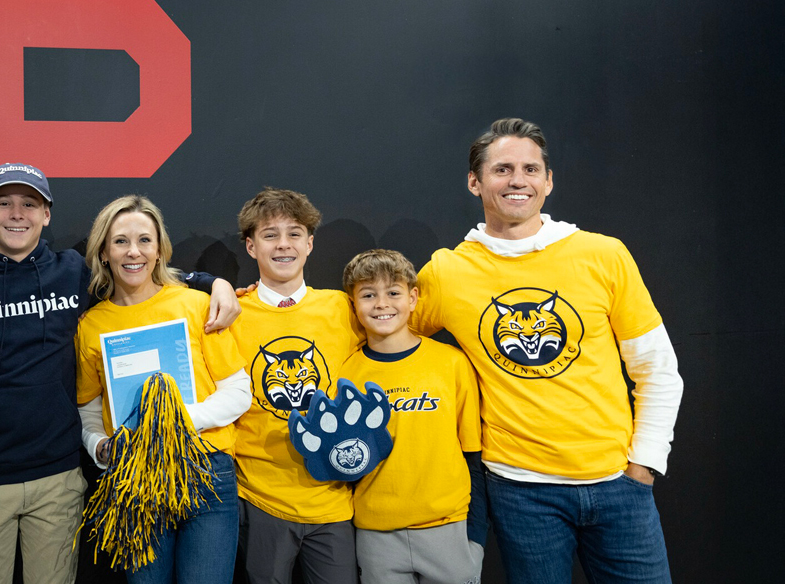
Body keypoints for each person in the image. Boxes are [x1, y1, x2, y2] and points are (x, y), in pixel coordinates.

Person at [0, 166, 240, 584]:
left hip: (61, 475)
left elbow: (142, 273)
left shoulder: (71, 273)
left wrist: (214, 282)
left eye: (29, 204)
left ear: (47, 214)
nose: (17, 213)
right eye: (4, 203)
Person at [410, 118, 684, 583]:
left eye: (531, 169)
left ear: (548, 181)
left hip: (619, 484)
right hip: (520, 491)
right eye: (502, 169)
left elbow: (656, 368)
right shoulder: (447, 273)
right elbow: (382, 331)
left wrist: (645, 464)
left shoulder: (603, 254)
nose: (518, 180)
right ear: (475, 182)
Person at [75, 195, 252, 584]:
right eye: (120, 241)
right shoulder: (91, 325)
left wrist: (171, 421)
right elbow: (88, 408)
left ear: (159, 250)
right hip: (134, 477)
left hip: (206, 472)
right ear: (103, 252)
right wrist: (99, 446)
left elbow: (239, 392)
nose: (133, 251)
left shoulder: (196, 304)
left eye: (144, 240)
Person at [219, 188, 361, 584]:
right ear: (251, 247)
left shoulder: (343, 308)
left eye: (294, 233)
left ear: (310, 244)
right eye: (270, 235)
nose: (283, 244)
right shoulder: (230, 314)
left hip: (333, 499)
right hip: (259, 498)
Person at [337, 249, 485, 584]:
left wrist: (476, 537)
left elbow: (472, 455)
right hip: (376, 533)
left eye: (393, 293)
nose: (381, 304)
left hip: (448, 527)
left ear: (413, 298)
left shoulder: (451, 363)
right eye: (368, 295)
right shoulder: (346, 374)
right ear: (353, 303)